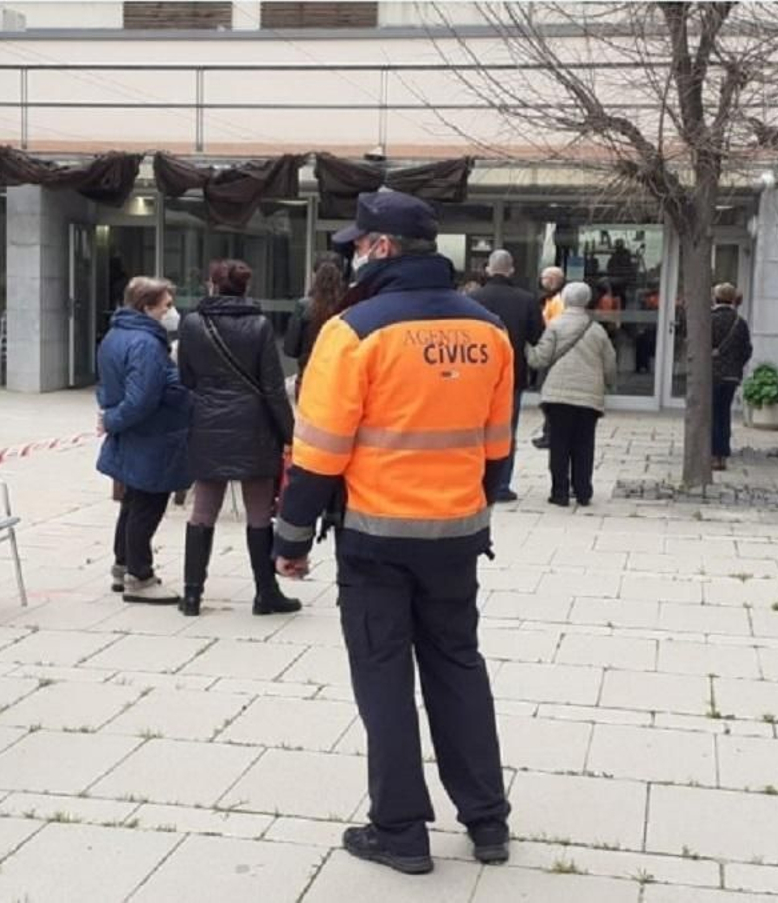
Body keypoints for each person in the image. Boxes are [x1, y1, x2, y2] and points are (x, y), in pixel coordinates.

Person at [274, 190, 514, 876]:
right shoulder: (488, 329)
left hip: (376, 539)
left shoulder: (352, 333)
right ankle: (488, 819)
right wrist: (473, 509)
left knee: (384, 677)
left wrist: (289, 541)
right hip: (456, 534)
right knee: (458, 666)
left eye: (356, 244)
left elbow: (319, 452)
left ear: (380, 248)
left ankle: (401, 829)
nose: (349, 255)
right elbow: (498, 447)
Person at [176, 260, 299, 618]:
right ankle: (265, 593)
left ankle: (192, 595)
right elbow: (273, 388)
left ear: (212, 285)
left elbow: (186, 378)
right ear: (245, 288)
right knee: (259, 513)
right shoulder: (259, 325)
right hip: (253, 426)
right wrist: (288, 433)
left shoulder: (192, 323)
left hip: (208, 423)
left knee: (203, 511)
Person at [97, 276, 193, 604]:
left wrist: (111, 416)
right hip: (152, 437)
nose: (172, 312)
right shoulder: (146, 344)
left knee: (132, 502)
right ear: (146, 307)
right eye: (166, 306)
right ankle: (140, 575)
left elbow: (112, 387)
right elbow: (142, 398)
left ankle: (123, 564)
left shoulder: (116, 334)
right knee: (148, 506)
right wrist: (113, 419)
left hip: (133, 436)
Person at [525, 282, 618, 506]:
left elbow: (540, 359)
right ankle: (583, 491)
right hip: (589, 397)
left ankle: (560, 493)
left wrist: (526, 347)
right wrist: (609, 385)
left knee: (559, 445)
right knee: (584, 445)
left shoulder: (555, 326)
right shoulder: (597, 331)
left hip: (558, 396)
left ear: (565, 300)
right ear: (587, 301)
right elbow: (610, 364)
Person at [469, 249, 544, 503]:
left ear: (488, 269)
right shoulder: (526, 300)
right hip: (512, 374)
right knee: (506, 430)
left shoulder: (473, 298)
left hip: (475, 373)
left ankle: (475, 481)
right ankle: (501, 485)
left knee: (474, 427)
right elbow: (537, 337)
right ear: (511, 270)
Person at [282, 251, 347, 395]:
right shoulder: (351, 305)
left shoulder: (304, 305)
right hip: (342, 381)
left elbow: (290, 349)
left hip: (309, 379)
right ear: (342, 273)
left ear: (314, 274)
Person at [709, 283, 754, 471]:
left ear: (716, 298)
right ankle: (723, 455)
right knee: (724, 413)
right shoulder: (740, 322)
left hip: (711, 374)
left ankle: (712, 454)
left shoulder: (709, 319)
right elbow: (747, 350)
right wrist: (737, 365)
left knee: (712, 414)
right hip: (731, 376)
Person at [530, 266, 568, 450]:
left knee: (551, 397)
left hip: (553, 353)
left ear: (553, 280)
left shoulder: (558, 301)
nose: (542, 281)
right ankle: (549, 433)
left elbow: (555, 328)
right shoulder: (551, 299)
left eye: (544, 278)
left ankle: (552, 435)